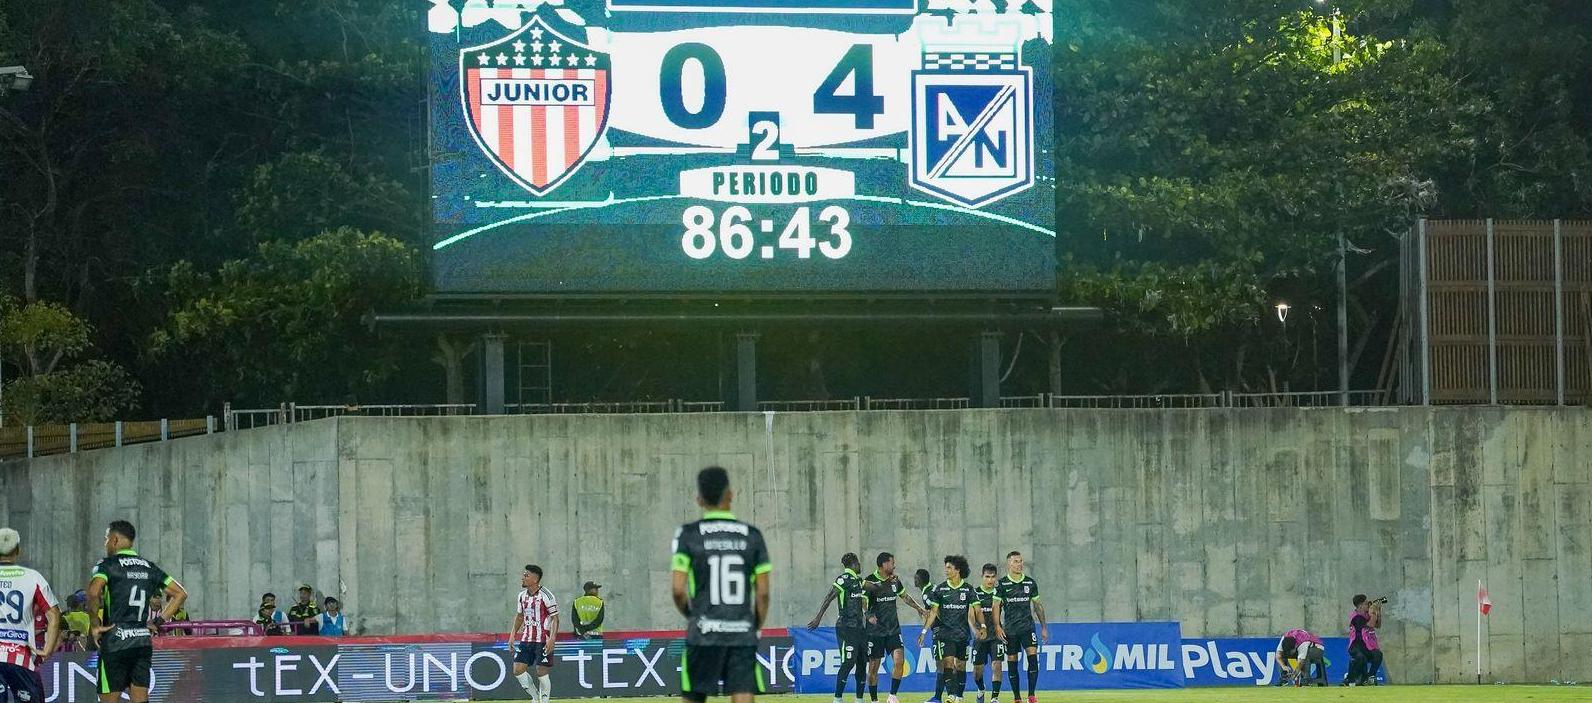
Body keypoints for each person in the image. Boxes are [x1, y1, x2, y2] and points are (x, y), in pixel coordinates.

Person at [670, 466, 772, 703]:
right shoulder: (752, 535)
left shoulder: (688, 535)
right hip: (741, 633)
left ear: (699, 499)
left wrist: (693, 615)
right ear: (730, 495)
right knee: (743, 692)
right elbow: (763, 594)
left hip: (703, 631)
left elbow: (677, 590)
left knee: (694, 695)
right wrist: (753, 626)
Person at [85, 520, 187, 703]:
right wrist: (158, 622)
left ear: (114, 539)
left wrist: (94, 625)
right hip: (141, 641)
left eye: (106, 539)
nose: (105, 543)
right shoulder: (149, 567)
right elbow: (180, 594)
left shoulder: (107, 565)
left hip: (115, 640)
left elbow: (93, 593)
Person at [0, 528, 63, 703]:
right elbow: (54, 614)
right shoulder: (33, 577)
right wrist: (47, 649)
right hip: (21, 656)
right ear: (18, 550)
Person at [861, 552, 925, 703]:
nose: (894, 566)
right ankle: (874, 700)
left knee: (899, 661)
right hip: (875, 632)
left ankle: (892, 696)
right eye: (892, 563)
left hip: (893, 630)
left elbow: (905, 596)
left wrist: (919, 608)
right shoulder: (870, 581)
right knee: (873, 668)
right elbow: (862, 601)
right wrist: (868, 615)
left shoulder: (895, 581)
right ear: (884, 564)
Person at [918, 556, 982, 703]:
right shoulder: (939, 589)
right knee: (945, 663)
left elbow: (974, 611)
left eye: (949, 568)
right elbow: (933, 612)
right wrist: (924, 631)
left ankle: (957, 696)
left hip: (961, 634)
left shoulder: (967, 589)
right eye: (945, 567)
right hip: (944, 634)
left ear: (957, 570)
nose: (946, 570)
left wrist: (979, 627)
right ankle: (948, 695)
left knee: (959, 665)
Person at [807, 553, 868, 703]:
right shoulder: (843, 579)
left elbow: (871, 589)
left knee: (862, 662)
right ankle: (837, 698)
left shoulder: (858, 581)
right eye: (858, 563)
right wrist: (818, 617)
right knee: (849, 661)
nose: (860, 565)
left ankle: (859, 699)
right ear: (854, 564)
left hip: (860, 628)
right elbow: (829, 597)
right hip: (846, 627)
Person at [992, 551, 1047, 703]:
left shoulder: (1030, 583)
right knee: (1012, 661)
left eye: (1021, 561)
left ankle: (1031, 695)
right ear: (1009, 564)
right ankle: (1017, 697)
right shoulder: (1002, 584)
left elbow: (1038, 606)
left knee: (1033, 658)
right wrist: (997, 626)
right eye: (1016, 561)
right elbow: (995, 606)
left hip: (1027, 628)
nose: (1019, 564)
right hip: (1010, 630)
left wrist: (1043, 627)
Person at [510, 564, 559, 703]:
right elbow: (520, 616)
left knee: (541, 671)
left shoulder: (546, 595)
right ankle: (535, 697)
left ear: (535, 579)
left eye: (526, 575)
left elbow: (555, 619)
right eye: (523, 575)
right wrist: (512, 635)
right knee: (517, 670)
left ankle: (545, 701)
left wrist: (552, 639)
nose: (523, 578)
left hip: (543, 639)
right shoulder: (521, 596)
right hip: (526, 639)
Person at [971, 564, 1005, 703]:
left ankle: (994, 698)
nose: (990, 580)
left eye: (992, 577)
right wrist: (975, 630)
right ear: (982, 576)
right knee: (977, 672)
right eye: (987, 577)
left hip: (996, 635)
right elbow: (970, 616)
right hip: (981, 637)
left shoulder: (1000, 593)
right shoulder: (974, 593)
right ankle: (981, 688)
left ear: (996, 577)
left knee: (997, 665)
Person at [913, 569, 942, 703]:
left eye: (916, 578)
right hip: (947, 630)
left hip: (940, 631)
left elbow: (936, 612)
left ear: (920, 580)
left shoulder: (927, 594)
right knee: (947, 664)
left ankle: (940, 697)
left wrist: (925, 631)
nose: (914, 580)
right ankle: (953, 695)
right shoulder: (934, 588)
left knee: (942, 664)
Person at [1343, 595, 1384, 686]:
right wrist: (1373, 613)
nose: (1368, 605)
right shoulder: (1356, 617)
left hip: (1366, 646)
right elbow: (1371, 625)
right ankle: (1349, 679)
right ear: (1361, 605)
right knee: (1361, 657)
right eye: (1366, 603)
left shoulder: (1366, 615)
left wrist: (1378, 611)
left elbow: (1378, 625)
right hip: (1355, 646)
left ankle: (1370, 677)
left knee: (1378, 654)